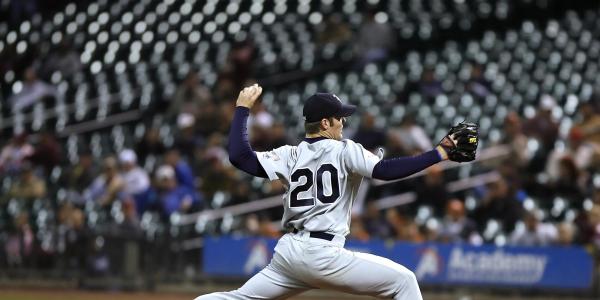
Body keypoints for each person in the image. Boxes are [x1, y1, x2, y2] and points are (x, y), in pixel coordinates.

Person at [195, 84, 478, 300]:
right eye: (339, 118)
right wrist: (439, 153)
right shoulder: (344, 150)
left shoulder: (289, 154)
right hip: (323, 253)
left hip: (289, 255)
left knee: (236, 298)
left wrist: (242, 108)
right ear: (325, 123)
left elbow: (239, 157)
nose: (344, 122)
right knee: (405, 281)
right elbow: (385, 171)